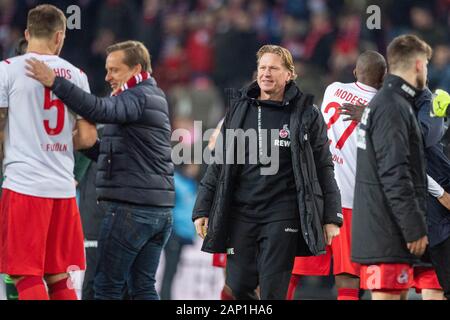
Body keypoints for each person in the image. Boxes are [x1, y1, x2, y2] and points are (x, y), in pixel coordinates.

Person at [26, 40, 175, 300]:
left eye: (115, 70)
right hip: (157, 212)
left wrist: (55, 83)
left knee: (105, 287)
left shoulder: (137, 96)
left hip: (131, 211)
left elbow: (99, 109)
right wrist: (88, 146)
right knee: (142, 288)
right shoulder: (154, 96)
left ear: (136, 68)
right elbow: (115, 155)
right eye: (107, 70)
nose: (107, 77)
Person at [192, 44, 342, 300]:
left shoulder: (307, 113)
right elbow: (219, 163)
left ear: (289, 74)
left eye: (274, 68)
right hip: (242, 214)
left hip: (283, 214)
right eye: (262, 68)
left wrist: (332, 215)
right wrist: (202, 209)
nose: (266, 73)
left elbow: (324, 166)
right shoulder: (239, 109)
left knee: (273, 291)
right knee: (238, 287)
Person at [0, 4, 97, 300]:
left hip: (24, 186)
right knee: (59, 277)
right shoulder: (78, 75)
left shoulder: (8, 69)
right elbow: (89, 137)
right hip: (63, 190)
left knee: (25, 275)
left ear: (27, 34)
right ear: (59, 37)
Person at [288, 51, 387, 301]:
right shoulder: (384, 108)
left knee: (292, 269)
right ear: (383, 78)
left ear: (355, 72)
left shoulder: (333, 89)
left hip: (316, 191)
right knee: (348, 276)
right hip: (351, 198)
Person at [353, 34, 431, 300]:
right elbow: (394, 172)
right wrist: (413, 226)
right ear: (419, 65)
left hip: (385, 229)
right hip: (387, 231)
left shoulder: (388, 102)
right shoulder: (392, 106)